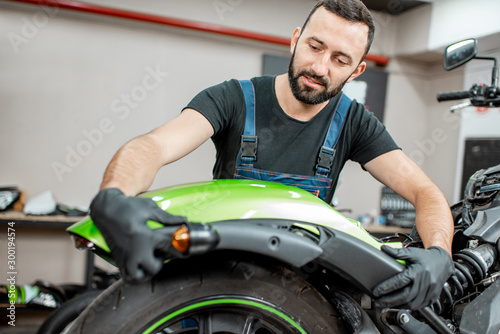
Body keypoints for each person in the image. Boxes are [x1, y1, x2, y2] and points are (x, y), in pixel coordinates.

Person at [89, 0, 454, 311]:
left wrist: (439, 253)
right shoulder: (233, 98)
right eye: (315, 46)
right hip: (218, 282)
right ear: (295, 40)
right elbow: (152, 146)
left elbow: (426, 193)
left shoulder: (354, 122)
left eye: (340, 59)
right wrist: (115, 196)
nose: (320, 67)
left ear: (357, 70)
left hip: (300, 293)